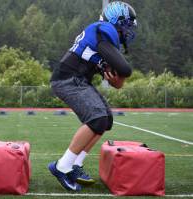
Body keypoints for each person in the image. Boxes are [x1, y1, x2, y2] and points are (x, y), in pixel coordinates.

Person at [48, 1, 137, 191]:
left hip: (78, 80)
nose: (128, 30)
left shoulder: (105, 40)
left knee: (106, 120)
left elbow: (119, 82)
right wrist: (119, 74)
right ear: (117, 21)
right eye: (127, 24)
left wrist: (116, 79)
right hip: (67, 78)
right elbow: (125, 70)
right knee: (96, 118)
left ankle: (75, 164)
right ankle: (62, 167)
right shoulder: (102, 30)